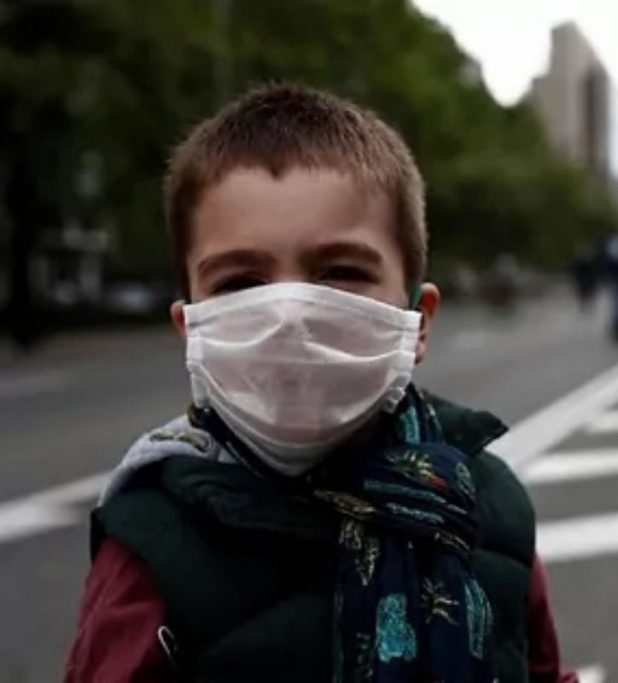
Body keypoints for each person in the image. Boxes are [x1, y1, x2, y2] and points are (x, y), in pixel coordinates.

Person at [65, 84, 576, 683]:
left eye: (340, 272)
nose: (290, 315)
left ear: (419, 321)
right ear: (190, 328)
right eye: (239, 283)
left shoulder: (484, 502)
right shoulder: (150, 546)